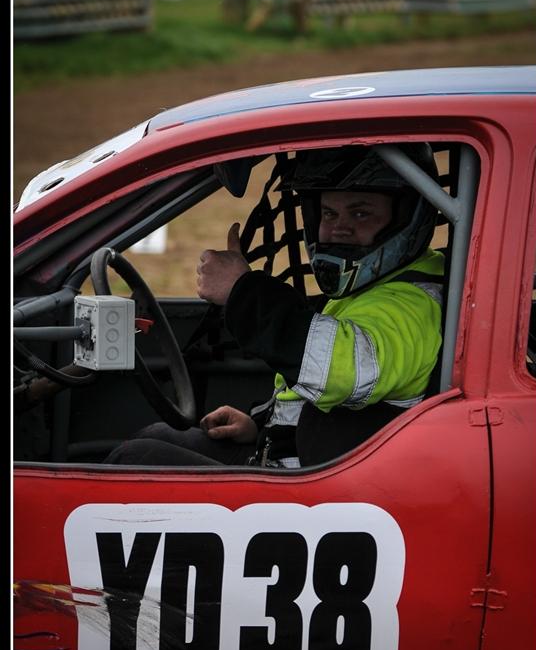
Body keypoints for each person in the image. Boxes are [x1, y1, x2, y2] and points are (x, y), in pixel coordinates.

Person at [105, 143, 444, 468]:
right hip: (301, 460)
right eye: (329, 212)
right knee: (156, 438)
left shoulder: (411, 305)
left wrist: (242, 291)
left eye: (361, 212)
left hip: (318, 492)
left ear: (405, 218)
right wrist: (265, 426)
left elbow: (338, 371)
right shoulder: (377, 289)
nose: (339, 228)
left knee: (136, 460)